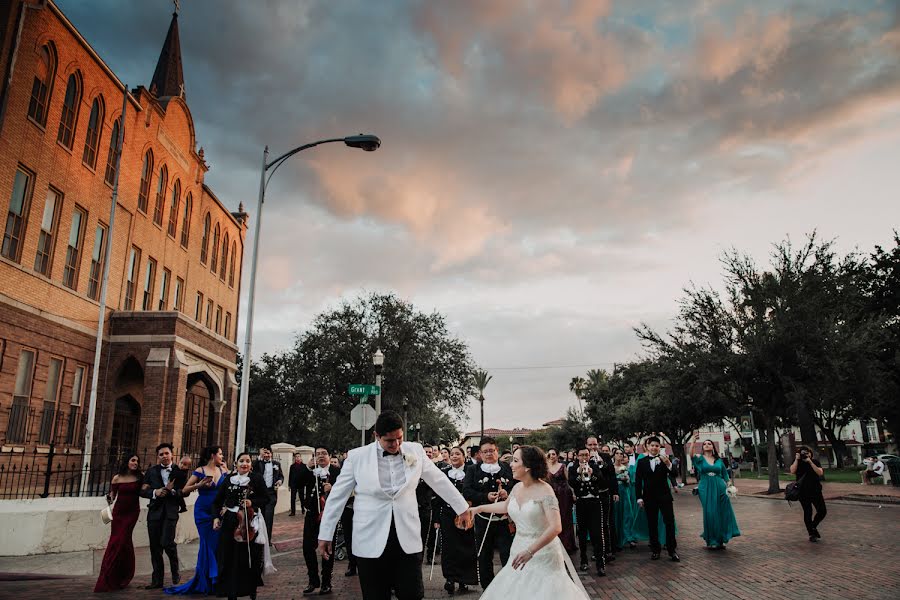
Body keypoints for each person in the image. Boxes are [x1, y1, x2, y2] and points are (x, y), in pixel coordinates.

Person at [317, 410, 473, 600]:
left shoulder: (415, 451)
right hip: (370, 541)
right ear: (376, 436)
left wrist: (462, 507)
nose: (396, 444)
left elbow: (438, 479)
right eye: (390, 441)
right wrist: (325, 533)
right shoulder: (357, 458)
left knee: (412, 594)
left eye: (399, 438)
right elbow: (337, 497)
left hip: (407, 539)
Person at [469, 447, 590, 600]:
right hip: (518, 548)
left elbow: (556, 527)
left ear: (527, 467)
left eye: (515, 461)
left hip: (543, 554)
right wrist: (478, 508)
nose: (511, 465)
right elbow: (505, 506)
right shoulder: (517, 487)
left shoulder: (545, 490)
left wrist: (530, 551)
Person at [165, 445, 227, 594]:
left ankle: (217, 580)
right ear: (212, 455)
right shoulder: (200, 471)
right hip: (203, 512)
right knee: (207, 544)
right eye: (220, 454)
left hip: (218, 511)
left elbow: (228, 489)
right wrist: (199, 485)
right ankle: (205, 580)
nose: (222, 456)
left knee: (217, 544)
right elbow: (184, 489)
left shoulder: (223, 470)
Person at [212, 452, 270, 599]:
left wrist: (252, 502)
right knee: (228, 556)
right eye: (242, 461)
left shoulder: (256, 478)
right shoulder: (228, 480)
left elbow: (266, 498)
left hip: (248, 522)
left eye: (248, 461)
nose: (245, 464)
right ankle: (231, 591)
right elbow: (218, 501)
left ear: (251, 464)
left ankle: (250, 589)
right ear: (236, 464)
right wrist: (216, 518)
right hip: (230, 521)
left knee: (248, 557)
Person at [463, 437, 516, 590]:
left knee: (507, 554)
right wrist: (485, 497)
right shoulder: (473, 470)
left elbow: (517, 486)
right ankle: (488, 589)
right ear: (480, 453)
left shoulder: (506, 467)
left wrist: (508, 493)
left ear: (497, 450)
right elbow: (467, 491)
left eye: (491, 451)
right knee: (485, 556)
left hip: (504, 520)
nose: (488, 454)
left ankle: (509, 586)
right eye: (485, 451)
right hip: (483, 519)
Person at [94, 453, 143, 592]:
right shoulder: (117, 477)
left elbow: (146, 489)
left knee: (122, 541)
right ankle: (114, 575)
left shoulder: (140, 477)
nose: (135, 463)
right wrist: (108, 502)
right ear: (127, 462)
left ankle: (119, 574)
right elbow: (112, 496)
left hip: (132, 513)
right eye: (133, 460)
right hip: (119, 513)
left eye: (137, 461)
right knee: (118, 542)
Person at [432, 447, 478, 595]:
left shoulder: (471, 471)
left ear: (464, 456)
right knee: (449, 547)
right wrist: (437, 519)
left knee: (465, 546)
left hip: (466, 514)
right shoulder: (444, 473)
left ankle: (464, 580)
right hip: (447, 514)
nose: (454, 456)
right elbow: (438, 497)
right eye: (452, 454)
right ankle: (450, 579)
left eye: (458, 454)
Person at [141, 443, 185, 588]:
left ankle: (175, 570)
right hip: (154, 512)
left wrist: (172, 491)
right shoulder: (151, 471)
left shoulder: (179, 471)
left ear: (172, 454)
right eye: (161, 454)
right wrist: (155, 493)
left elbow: (185, 491)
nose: (164, 456)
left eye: (166, 453)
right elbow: (142, 490)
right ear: (158, 457)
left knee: (167, 543)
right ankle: (157, 580)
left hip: (171, 512)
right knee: (155, 547)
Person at [300, 447, 341, 595]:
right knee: (307, 548)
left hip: (329, 515)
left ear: (329, 456)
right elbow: (296, 482)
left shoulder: (337, 472)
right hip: (312, 514)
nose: (321, 457)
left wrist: (333, 488)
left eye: (324, 454)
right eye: (318, 454)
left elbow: (347, 490)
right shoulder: (311, 471)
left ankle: (326, 582)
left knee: (328, 549)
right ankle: (313, 580)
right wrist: (307, 468)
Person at [690, 439, 741, 549]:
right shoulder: (699, 459)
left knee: (722, 512)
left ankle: (721, 539)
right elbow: (691, 455)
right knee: (710, 512)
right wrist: (693, 441)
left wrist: (730, 485)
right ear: (702, 447)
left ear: (713, 447)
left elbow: (725, 475)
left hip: (720, 487)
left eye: (709, 444)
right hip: (705, 487)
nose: (707, 445)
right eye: (704, 444)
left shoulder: (719, 460)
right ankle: (712, 540)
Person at [635, 436, 679, 561]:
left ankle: (672, 550)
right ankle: (655, 550)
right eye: (652, 445)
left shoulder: (665, 459)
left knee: (669, 522)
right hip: (649, 497)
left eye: (657, 446)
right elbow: (638, 481)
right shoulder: (642, 461)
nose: (654, 448)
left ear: (660, 447)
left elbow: (674, 474)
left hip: (665, 495)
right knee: (652, 524)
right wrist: (639, 498)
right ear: (647, 447)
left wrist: (669, 464)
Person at [569, 447, 606, 576]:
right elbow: (572, 483)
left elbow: (601, 482)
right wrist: (580, 474)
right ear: (577, 456)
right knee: (582, 533)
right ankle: (583, 560)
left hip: (594, 502)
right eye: (581, 455)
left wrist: (592, 475)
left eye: (586, 455)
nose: (584, 457)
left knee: (597, 533)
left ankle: (600, 564)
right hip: (581, 503)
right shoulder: (573, 468)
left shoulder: (595, 467)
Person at [588, 437, 617, 563]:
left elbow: (611, 473)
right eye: (591, 445)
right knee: (594, 524)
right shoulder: (584, 457)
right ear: (586, 445)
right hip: (592, 494)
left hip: (605, 493)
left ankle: (608, 550)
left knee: (606, 522)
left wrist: (615, 492)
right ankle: (597, 551)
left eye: (595, 444)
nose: (593, 447)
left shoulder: (605, 456)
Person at [790, 445, 826, 542]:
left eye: (808, 453)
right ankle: (811, 534)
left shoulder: (815, 462)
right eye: (803, 453)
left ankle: (813, 526)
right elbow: (792, 471)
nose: (806, 455)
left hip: (816, 491)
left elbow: (820, 473)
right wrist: (797, 460)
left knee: (822, 511)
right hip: (803, 492)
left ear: (811, 453)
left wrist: (810, 462)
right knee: (808, 512)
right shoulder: (798, 463)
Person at [545, 448, 577, 553]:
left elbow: (568, 481)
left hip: (564, 494)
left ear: (557, 455)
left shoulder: (562, 466)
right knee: (553, 518)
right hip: (551, 495)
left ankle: (567, 544)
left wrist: (573, 493)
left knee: (565, 518)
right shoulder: (545, 468)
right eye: (549, 454)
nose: (551, 456)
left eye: (553, 454)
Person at [252, 446, 283, 544]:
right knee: (259, 516)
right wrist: (259, 457)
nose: (267, 455)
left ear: (271, 454)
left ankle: (267, 539)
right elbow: (253, 470)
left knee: (269, 517)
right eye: (265, 453)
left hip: (271, 494)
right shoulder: (258, 463)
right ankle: (257, 536)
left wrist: (280, 481)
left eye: (268, 453)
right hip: (260, 494)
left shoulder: (276, 464)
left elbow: (281, 476)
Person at [612, 448, 637, 550]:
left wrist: (626, 479)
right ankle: (617, 539)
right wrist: (618, 478)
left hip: (625, 492)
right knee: (616, 514)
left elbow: (629, 481)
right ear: (613, 455)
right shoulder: (611, 467)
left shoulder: (625, 467)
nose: (619, 455)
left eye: (621, 454)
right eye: (617, 453)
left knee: (627, 514)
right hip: (616, 492)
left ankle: (628, 537)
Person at [417, 446, 438, 563]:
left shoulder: (435, 467)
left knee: (430, 533)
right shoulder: (415, 466)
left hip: (430, 504)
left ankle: (430, 556)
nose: (429, 454)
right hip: (416, 504)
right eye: (426, 452)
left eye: (430, 452)